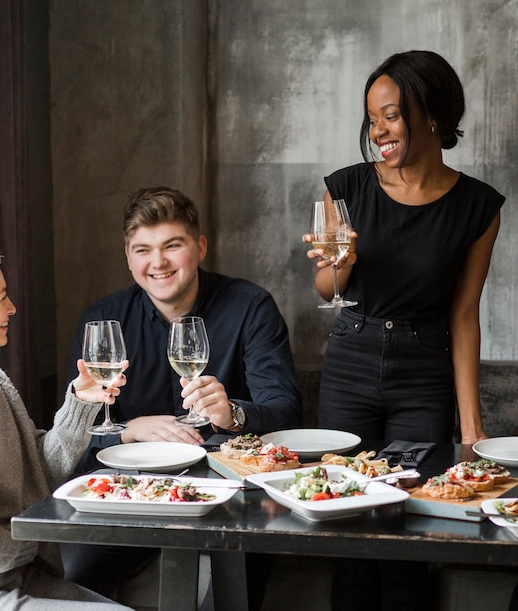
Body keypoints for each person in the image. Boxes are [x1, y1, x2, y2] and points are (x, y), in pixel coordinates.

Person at [303, 51, 505, 611]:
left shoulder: (477, 206)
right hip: (351, 360)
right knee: (347, 520)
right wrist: (338, 258)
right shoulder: (345, 188)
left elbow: (465, 314)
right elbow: (327, 289)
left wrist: (472, 431)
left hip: (425, 370)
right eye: (373, 119)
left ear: (432, 114)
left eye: (392, 115)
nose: (380, 131)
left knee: (408, 526)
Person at [62, 186, 302, 609]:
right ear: (128, 257)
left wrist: (234, 416)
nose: (158, 263)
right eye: (143, 250)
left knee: (235, 586)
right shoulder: (103, 322)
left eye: (173, 246)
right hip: (129, 494)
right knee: (76, 578)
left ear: (200, 247)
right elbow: (72, 440)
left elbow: (286, 409)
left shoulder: (251, 308)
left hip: (231, 493)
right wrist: (128, 431)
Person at [0, 244, 132, 611]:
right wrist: (37, 541)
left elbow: (38, 473)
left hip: (21, 579)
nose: (12, 308)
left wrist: (80, 405)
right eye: (1, 297)